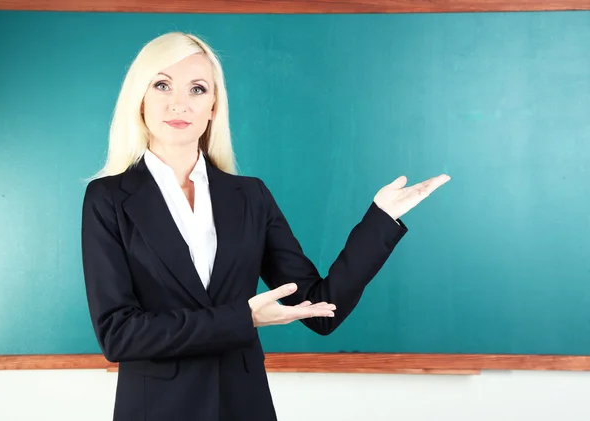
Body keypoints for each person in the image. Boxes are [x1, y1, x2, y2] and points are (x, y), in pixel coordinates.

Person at [81, 31, 450, 421]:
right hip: (156, 411)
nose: (179, 103)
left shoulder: (249, 196)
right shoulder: (107, 199)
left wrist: (381, 218)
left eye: (197, 89)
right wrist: (243, 318)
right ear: (140, 100)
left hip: (244, 406)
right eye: (162, 85)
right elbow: (118, 334)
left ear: (213, 107)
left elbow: (320, 310)